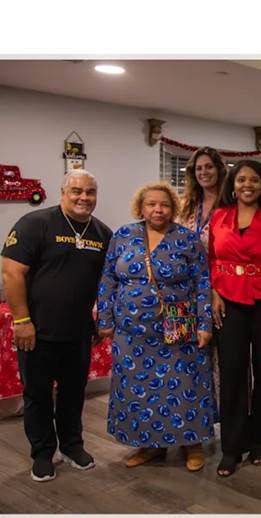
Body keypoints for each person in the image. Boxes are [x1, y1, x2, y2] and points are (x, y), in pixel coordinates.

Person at [1, 170, 111, 482]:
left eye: (90, 192)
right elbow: (11, 273)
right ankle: (43, 453)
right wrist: (22, 321)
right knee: (37, 394)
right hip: (35, 332)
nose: (83, 197)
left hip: (78, 334)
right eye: (76, 191)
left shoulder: (102, 233)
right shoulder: (35, 224)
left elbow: (109, 283)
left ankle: (73, 445)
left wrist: (103, 320)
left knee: (73, 394)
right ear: (62, 192)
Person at [96, 182, 213, 472]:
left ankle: (192, 443)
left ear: (173, 208)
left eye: (164, 204)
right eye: (151, 204)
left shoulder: (187, 238)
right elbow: (109, 278)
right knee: (139, 388)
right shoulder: (123, 235)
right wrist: (105, 319)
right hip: (131, 329)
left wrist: (204, 322)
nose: (158, 209)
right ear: (141, 207)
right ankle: (150, 444)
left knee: (185, 382)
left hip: (179, 317)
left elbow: (202, 282)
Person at [209, 159, 261, 477]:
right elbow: (213, 257)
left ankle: (259, 438)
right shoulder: (219, 216)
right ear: (233, 184)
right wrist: (214, 291)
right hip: (228, 299)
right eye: (241, 179)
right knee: (232, 373)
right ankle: (231, 446)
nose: (247, 185)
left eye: (253, 180)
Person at [177, 146, 227, 418]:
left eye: (209, 166)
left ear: (219, 169)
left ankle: (217, 418)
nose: (204, 172)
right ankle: (187, 419)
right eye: (199, 168)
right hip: (182, 295)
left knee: (220, 360)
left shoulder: (230, 205)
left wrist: (216, 289)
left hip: (220, 292)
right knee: (183, 356)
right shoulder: (185, 207)